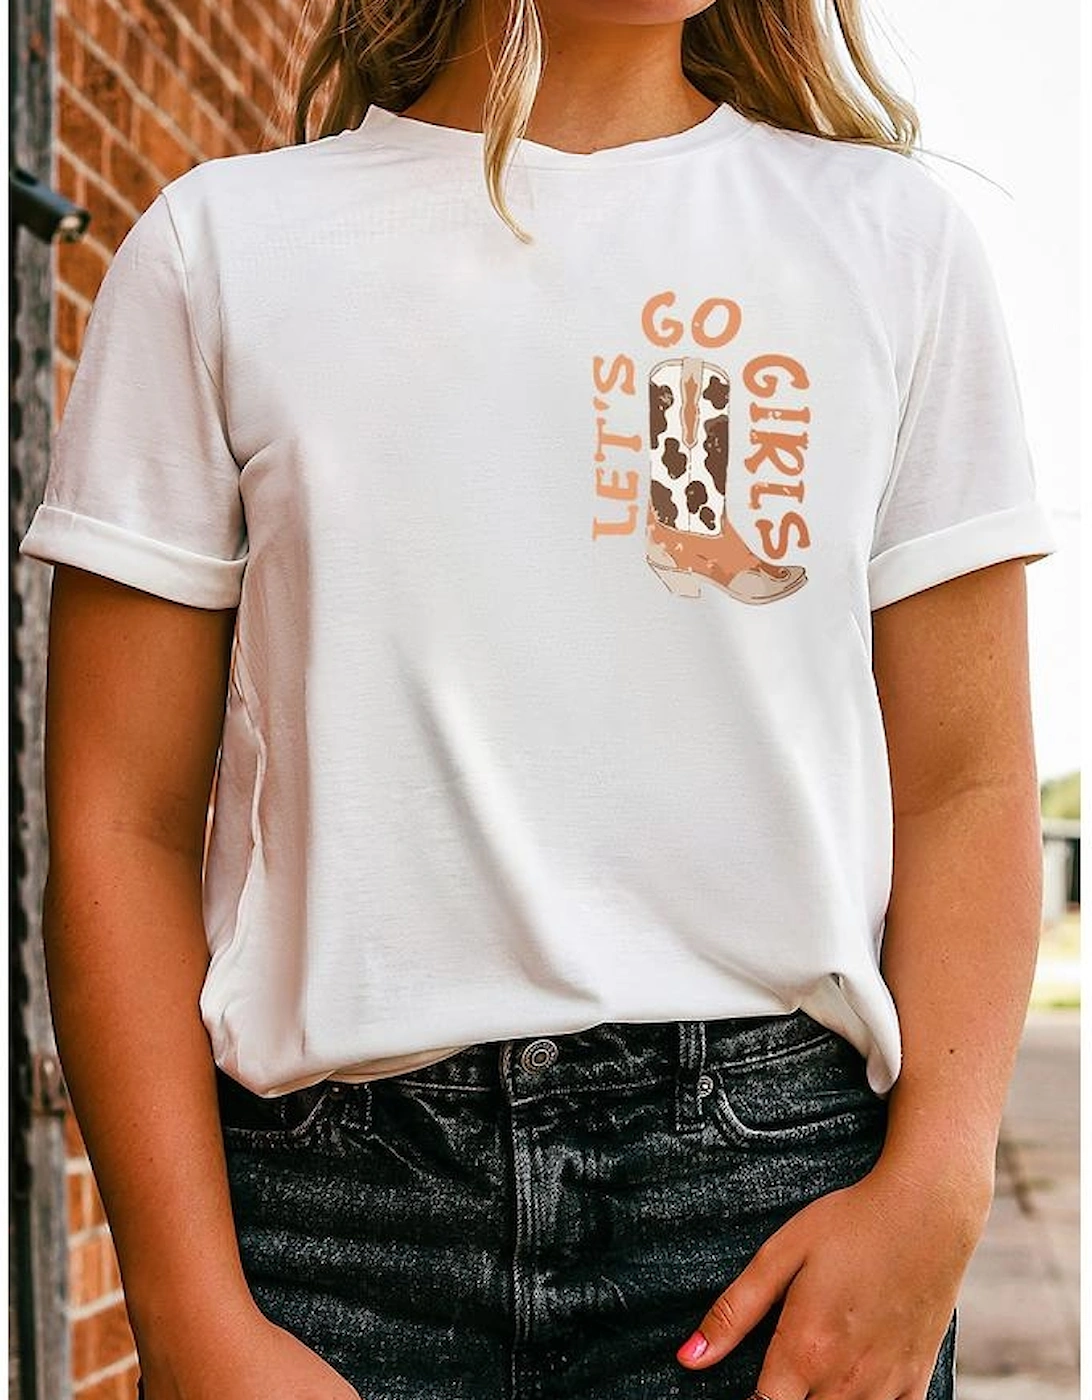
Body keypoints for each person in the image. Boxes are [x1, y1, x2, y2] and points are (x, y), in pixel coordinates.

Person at [18, 1, 1058, 1397]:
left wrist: (940, 1190)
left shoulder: (886, 242)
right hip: (327, 1249)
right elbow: (116, 820)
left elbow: (967, 783)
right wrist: (189, 1309)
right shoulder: (223, 254)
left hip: (761, 1224)